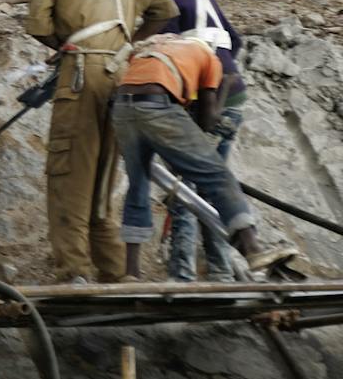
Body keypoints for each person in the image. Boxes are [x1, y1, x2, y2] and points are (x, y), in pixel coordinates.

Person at [22, 0, 176, 282]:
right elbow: (166, 8)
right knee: (103, 184)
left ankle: (73, 270)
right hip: (121, 79)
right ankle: (115, 271)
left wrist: (66, 45)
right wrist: (126, 46)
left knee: (69, 177)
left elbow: (37, 25)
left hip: (81, 78)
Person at [102, 0, 249, 281]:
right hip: (231, 91)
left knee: (186, 186)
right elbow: (236, 40)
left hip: (206, 96)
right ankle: (219, 271)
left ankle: (184, 276)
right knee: (211, 181)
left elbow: (152, 53)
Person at [111, 33, 295, 278]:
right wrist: (224, 89)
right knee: (217, 174)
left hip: (123, 108)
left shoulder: (157, 47)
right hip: (158, 106)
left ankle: (131, 273)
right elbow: (207, 122)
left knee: (138, 186)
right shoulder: (210, 58)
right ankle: (254, 250)